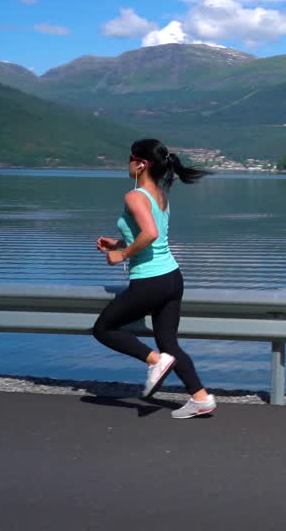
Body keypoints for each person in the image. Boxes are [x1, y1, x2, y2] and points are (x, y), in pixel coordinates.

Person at [91, 139, 216, 419]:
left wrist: (121, 255)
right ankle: (200, 398)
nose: (128, 163)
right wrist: (118, 242)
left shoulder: (134, 196)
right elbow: (147, 232)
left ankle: (154, 361)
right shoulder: (158, 195)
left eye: (130, 158)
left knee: (104, 328)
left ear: (141, 164)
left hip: (151, 280)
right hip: (172, 277)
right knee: (169, 343)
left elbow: (150, 234)